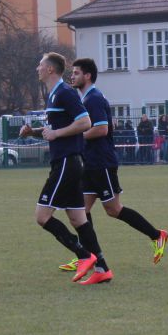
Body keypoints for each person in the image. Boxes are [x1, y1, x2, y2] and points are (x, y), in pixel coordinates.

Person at [69, 58, 168, 276]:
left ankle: (157, 235)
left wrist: (76, 136)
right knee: (81, 211)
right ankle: (87, 256)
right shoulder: (86, 98)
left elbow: (102, 129)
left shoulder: (94, 98)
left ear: (87, 76)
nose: (72, 76)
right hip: (90, 163)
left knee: (113, 210)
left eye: (76, 73)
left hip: (101, 163)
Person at [17, 52, 106, 284]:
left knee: (42, 216)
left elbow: (85, 122)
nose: (37, 68)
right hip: (69, 162)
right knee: (78, 219)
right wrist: (33, 132)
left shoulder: (65, 92)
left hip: (67, 162)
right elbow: (55, 129)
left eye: (40, 65)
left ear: (50, 69)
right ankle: (102, 269)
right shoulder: (54, 95)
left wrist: (56, 133)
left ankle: (84, 255)